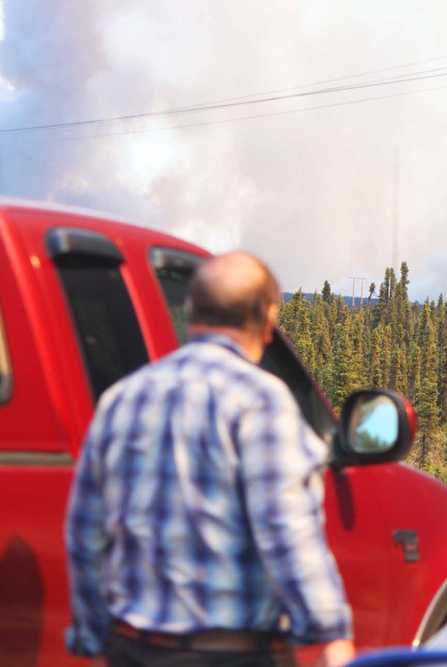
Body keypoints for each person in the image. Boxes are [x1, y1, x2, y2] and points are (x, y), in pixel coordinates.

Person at [64, 252, 354, 667]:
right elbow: (284, 529)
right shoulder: (261, 400)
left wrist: (94, 637)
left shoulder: (123, 398)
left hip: (131, 648)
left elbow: (85, 533)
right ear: (267, 317)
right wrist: (327, 632)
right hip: (228, 653)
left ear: (190, 311)